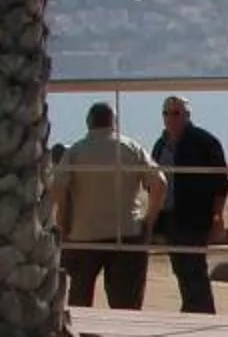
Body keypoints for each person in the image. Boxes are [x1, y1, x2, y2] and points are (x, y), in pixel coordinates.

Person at [55, 101, 164, 310]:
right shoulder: (131, 147)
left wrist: (63, 219)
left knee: (79, 296)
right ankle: (124, 336)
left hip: (84, 233)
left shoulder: (76, 151)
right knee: (126, 302)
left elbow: (58, 187)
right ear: (114, 122)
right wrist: (150, 218)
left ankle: (80, 333)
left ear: (88, 123)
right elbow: (159, 183)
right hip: (126, 231)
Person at [149, 95, 228, 313]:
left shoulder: (205, 142)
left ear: (186, 115)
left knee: (194, 268)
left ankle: (203, 312)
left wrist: (217, 215)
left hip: (194, 216)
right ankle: (191, 308)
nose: (170, 118)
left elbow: (221, 183)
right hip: (169, 215)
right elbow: (154, 180)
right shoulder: (160, 144)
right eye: (165, 113)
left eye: (175, 113)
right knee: (180, 268)